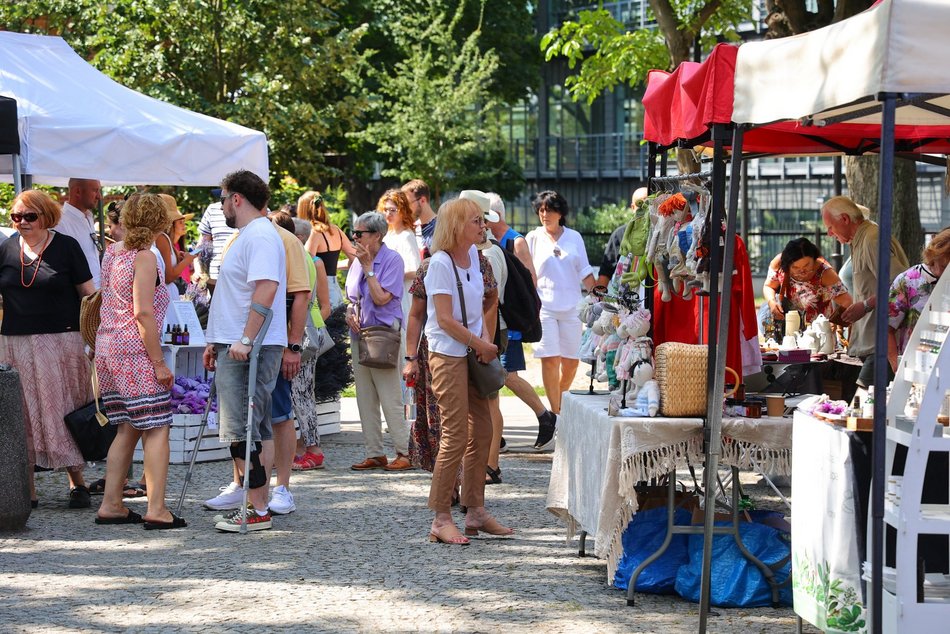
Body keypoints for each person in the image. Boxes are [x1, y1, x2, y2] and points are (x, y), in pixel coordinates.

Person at [201, 170, 287, 533]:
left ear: (237, 198)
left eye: (222, 198)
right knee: (256, 427)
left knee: (241, 429)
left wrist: (246, 339)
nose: (221, 206)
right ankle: (259, 505)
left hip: (249, 347)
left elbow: (266, 288)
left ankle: (256, 509)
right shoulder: (249, 235)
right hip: (237, 343)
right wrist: (216, 339)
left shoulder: (261, 235)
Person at [423, 197, 511, 545]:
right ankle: (441, 517)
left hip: (474, 352)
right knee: (455, 435)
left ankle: (475, 510)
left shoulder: (476, 256)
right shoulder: (440, 264)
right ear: (457, 226)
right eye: (476, 220)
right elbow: (443, 319)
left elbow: (488, 301)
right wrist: (480, 343)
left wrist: (485, 342)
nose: (483, 226)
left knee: (484, 430)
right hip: (447, 355)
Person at [0, 190, 96, 508]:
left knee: (64, 409)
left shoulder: (67, 247)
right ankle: (26, 490)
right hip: (15, 342)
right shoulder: (6, 248)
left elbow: (89, 295)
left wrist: (94, 338)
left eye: (29, 216)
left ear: (45, 216)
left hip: (62, 340)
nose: (22, 223)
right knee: (22, 414)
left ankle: (77, 482)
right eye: (16, 216)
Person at [93, 193, 184, 529]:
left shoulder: (112, 253)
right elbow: (143, 312)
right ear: (159, 221)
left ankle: (111, 503)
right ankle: (157, 509)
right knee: (157, 427)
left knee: (127, 427)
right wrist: (159, 362)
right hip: (136, 350)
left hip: (108, 346)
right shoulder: (144, 257)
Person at [485, 193, 558, 451]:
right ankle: (496, 436)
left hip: (509, 321)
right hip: (494, 320)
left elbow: (530, 284)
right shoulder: (486, 242)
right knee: (495, 377)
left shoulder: (514, 242)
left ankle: (546, 417)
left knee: (506, 375)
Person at [345, 211, 412, 471]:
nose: (355, 237)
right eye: (354, 232)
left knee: (389, 394)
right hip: (360, 334)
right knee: (365, 396)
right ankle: (375, 453)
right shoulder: (356, 261)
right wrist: (350, 311)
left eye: (359, 233)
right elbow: (352, 296)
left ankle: (404, 451)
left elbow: (382, 298)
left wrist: (368, 269)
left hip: (384, 333)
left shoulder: (391, 260)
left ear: (377, 235)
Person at [821, 195, 909, 388]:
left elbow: (901, 283)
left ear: (844, 219)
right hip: (873, 341)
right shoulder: (861, 239)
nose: (829, 233)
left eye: (830, 226)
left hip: (883, 343)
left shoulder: (872, 238)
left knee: (863, 405)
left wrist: (866, 305)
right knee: (870, 404)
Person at [526, 190, 595, 415]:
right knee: (550, 359)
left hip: (572, 307)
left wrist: (598, 298)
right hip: (544, 307)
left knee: (571, 362)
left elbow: (585, 270)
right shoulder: (532, 237)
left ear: (560, 212)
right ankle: (555, 414)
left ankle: (560, 399)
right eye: (541, 210)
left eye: (550, 210)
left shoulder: (574, 237)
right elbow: (527, 273)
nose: (545, 214)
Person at [289, 217, 331, 470]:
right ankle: (302, 446)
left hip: (303, 332)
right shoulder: (310, 260)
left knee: (302, 392)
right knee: (303, 391)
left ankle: (312, 448)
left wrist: (307, 329)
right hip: (309, 328)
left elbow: (313, 302)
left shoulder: (304, 260)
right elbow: (323, 305)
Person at [888, 227, 950, 371]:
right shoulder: (908, 280)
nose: (946, 272)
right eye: (943, 266)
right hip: (917, 366)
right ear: (933, 256)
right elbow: (887, 327)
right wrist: (896, 364)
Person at [762, 237, 853, 324]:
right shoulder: (779, 263)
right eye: (795, 267)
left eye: (806, 265)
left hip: (816, 333)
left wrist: (833, 323)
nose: (802, 271)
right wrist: (771, 301)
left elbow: (847, 301)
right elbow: (769, 286)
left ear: (814, 259)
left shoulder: (825, 273)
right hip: (786, 327)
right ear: (787, 264)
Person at [298, 190, 354, 308]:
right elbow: (356, 258)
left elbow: (307, 264)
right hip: (335, 288)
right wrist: (332, 265)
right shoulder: (336, 230)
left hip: (318, 291)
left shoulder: (313, 232)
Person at [379, 189, 422, 320]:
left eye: (393, 210)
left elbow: (417, 271)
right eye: (385, 210)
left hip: (402, 296)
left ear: (402, 211)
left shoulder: (406, 236)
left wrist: (391, 276)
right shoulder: (388, 235)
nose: (388, 214)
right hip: (387, 295)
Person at [597, 187, 649, 288]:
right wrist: (597, 297)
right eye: (641, 202)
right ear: (633, 207)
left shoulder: (661, 232)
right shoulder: (620, 234)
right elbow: (606, 270)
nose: (645, 206)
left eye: (649, 202)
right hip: (629, 295)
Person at [56, 178, 102, 288]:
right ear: (78, 192)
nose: (99, 196)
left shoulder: (88, 216)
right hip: (79, 296)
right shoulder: (60, 221)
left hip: (96, 292)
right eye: (95, 190)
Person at [151, 194, 196, 301]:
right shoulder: (161, 237)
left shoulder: (159, 236)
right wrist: (187, 260)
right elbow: (168, 277)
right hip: (166, 296)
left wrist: (177, 256)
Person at [196, 196, 238, 291]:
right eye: (221, 199)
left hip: (243, 279)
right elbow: (203, 244)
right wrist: (199, 269)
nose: (221, 206)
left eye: (224, 199)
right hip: (215, 278)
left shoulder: (257, 210)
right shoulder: (212, 209)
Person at [401, 179, 437, 258]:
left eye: (408, 204)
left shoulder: (441, 227)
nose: (405, 208)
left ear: (422, 200)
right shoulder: (411, 228)